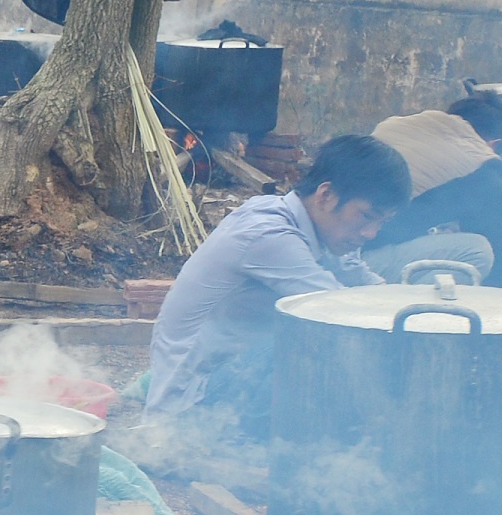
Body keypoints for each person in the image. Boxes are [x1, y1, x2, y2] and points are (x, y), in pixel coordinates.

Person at [144, 135, 410, 438]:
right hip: (190, 402)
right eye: (366, 217)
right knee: (321, 338)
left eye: (382, 223)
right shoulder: (269, 234)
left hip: (227, 376)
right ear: (325, 195)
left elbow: (371, 289)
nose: (371, 233)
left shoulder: (319, 228)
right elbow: (341, 313)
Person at [367, 95, 502, 285]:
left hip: (330, 251)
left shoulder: (398, 124)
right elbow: (497, 246)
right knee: (479, 250)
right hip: (360, 264)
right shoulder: (480, 163)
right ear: (494, 144)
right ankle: (409, 307)